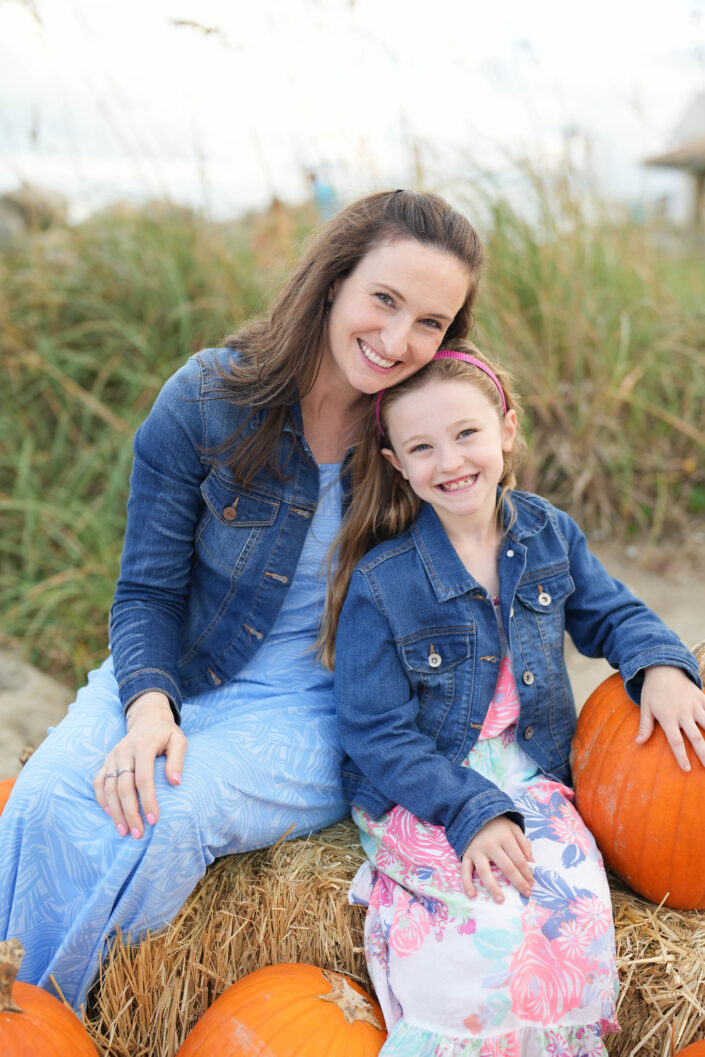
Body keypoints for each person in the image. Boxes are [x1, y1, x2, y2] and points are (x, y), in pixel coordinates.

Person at [0, 190, 485, 1013]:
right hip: (181, 667)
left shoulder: (423, 434)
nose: (400, 340)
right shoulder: (204, 399)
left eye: (431, 323)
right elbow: (146, 587)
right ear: (334, 281)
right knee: (46, 794)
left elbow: (521, 565)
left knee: (164, 816)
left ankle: (67, 1017)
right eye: (385, 299)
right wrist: (149, 705)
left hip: (315, 701)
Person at [323, 341, 704, 1056]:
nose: (450, 460)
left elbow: (612, 614)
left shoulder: (546, 535)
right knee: (476, 929)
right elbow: (374, 731)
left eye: (466, 433)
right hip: (426, 786)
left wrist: (659, 665)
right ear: (396, 464)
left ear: (506, 427)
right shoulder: (383, 582)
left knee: (570, 913)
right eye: (422, 447)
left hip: (530, 772)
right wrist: (467, 809)